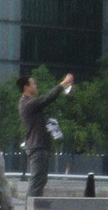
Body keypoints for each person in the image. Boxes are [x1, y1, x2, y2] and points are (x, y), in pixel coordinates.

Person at [18, 69, 74, 201]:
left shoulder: (28, 104)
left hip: (38, 146)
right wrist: (64, 83)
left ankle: (33, 208)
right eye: (33, 84)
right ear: (26, 87)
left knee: (40, 180)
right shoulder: (28, 104)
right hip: (37, 147)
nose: (36, 86)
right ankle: (31, 209)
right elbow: (47, 98)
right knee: (37, 180)